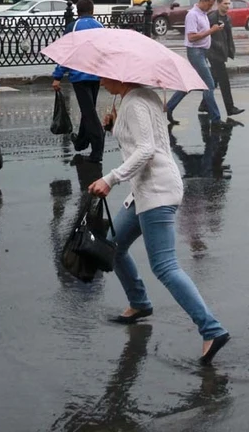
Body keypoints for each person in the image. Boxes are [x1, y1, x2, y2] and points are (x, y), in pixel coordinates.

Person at [88, 79, 230, 365]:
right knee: (114, 247)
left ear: (122, 75)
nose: (102, 81)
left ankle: (211, 329)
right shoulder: (142, 97)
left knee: (165, 266)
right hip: (144, 191)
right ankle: (139, 303)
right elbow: (145, 137)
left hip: (156, 190)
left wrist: (110, 178)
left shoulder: (136, 102)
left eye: (105, 76)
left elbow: (146, 149)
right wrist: (113, 126)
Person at [52, 0, 105, 162]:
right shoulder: (100, 27)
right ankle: (81, 142)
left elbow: (66, 52)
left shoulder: (73, 27)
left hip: (79, 76)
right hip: (96, 75)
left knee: (89, 113)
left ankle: (97, 151)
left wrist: (57, 76)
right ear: (93, 11)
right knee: (88, 110)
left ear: (77, 11)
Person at [165, 0, 225, 125]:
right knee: (209, 85)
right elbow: (191, 37)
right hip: (195, 53)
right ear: (203, 1)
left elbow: (202, 33)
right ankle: (216, 119)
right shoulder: (192, 15)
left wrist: (214, 30)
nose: (210, 8)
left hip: (202, 52)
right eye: (209, 5)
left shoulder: (203, 14)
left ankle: (169, 107)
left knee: (189, 84)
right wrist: (211, 31)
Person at [199, 0, 244, 118]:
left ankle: (203, 104)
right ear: (218, 4)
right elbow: (206, 33)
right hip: (213, 53)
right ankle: (230, 108)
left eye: (229, 4)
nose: (227, 6)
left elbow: (228, 36)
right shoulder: (212, 17)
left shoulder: (227, 18)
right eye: (225, 3)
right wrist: (216, 45)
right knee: (224, 81)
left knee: (213, 81)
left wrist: (230, 50)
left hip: (222, 53)